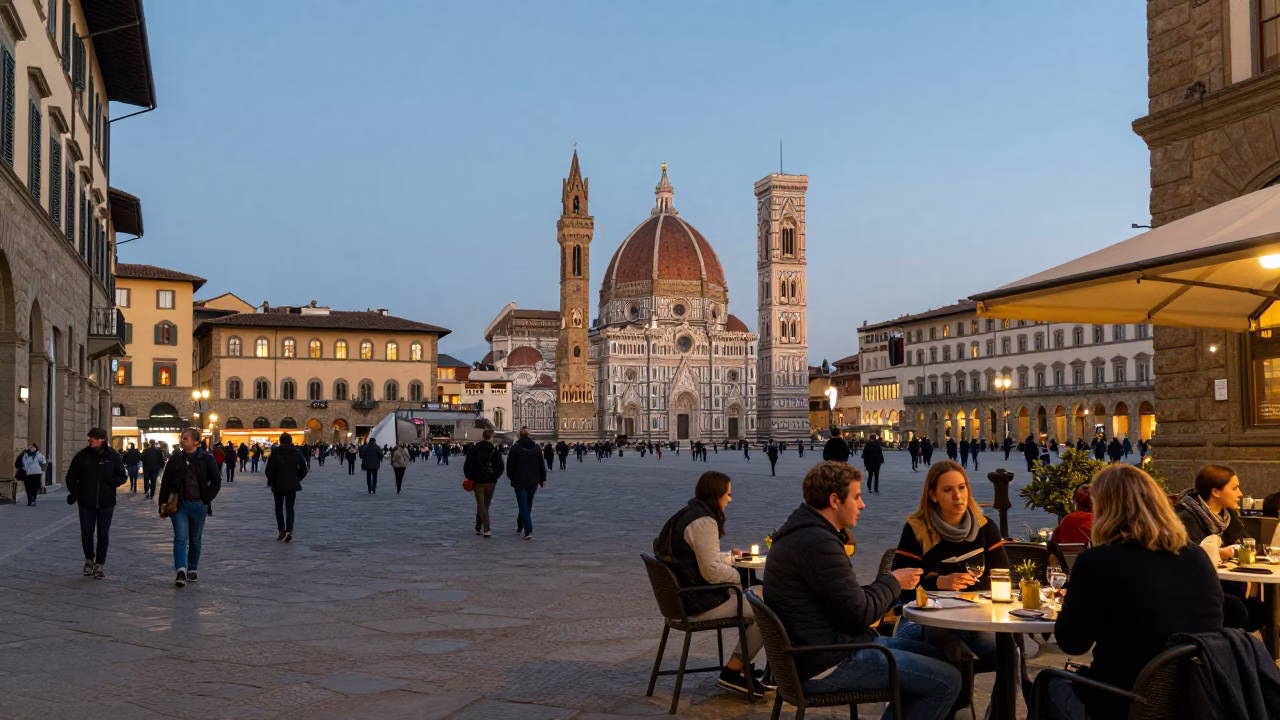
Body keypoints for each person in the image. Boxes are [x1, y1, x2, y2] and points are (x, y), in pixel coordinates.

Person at [764, 462, 959, 720]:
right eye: (857, 497)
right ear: (835, 501)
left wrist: (886, 587)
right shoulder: (818, 543)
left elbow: (844, 600)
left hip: (819, 649)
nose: (862, 505)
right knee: (948, 680)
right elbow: (859, 613)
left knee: (938, 655)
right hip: (826, 661)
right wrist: (894, 582)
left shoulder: (804, 533)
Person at [1042, 464, 1224, 720]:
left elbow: (1072, 642)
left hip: (1122, 702)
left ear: (1105, 509)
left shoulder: (1098, 562)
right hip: (1194, 701)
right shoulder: (1197, 556)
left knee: (1047, 686)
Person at [654, 471, 770, 695]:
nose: (730, 499)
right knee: (769, 605)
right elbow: (711, 572)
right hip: (698, 602)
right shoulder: (704, 521)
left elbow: (700, 558)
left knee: (762, 594)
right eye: (728, 494)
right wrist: (738, 579)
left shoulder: (687, 514)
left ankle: (742, 667)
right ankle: (734, 670)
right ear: (716, 495)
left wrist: (731, 558)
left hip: (681, 600)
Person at [892, 460, 1007, 673]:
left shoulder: (985, 528)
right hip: (926, 617)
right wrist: (938, 582)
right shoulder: (917, 529)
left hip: (975, 616)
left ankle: (1001, 707)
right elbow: (900, 586)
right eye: (948, 490)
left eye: (961, 488)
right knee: (955, 653)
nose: (957, 496)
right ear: (933, 495)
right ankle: (950, 702)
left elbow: (1002, 575)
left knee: (1008, 654)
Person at [1174, 464, 1265, 632]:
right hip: (1200, 592)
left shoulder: (1228, 517)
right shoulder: (1185, 519)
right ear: (1215, 492)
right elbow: (1187, 558)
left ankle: (1266, 656)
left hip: (1231, 586)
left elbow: (1245, 544)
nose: (1240, 493)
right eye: (1235, 488)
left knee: (1263, 609)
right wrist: (1219, 553)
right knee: (1240, 610)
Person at [158, 428, 221, 588]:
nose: (182, 440)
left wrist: (207, 499)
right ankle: (181, 570)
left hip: (199, 505)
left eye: (186, 438)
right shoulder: (175, 459)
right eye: (182, 438)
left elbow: (216, 481)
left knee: (195, 539)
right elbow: (166, 482)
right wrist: (162, 502)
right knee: (180, 538)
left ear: (196, 442)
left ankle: (192, 568)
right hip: (179, 505)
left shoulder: (207, 459)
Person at [65, 428, 127, 580]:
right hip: (86, 502)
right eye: (90, 438)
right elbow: (71, 478)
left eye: (93, 438)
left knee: (103, 534)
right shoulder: (82, 456)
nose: (90, 440)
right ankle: (89, 560)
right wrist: (78, 494)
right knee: (86, 533)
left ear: (102, 440)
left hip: (106, 502)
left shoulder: (112, 456)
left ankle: (99, 564)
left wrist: (110, 484)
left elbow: (122, 476)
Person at [265, 432, 307, 542]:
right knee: (290, 508)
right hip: (292, 484)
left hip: (278, 484)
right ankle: (290, 530)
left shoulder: (275, 452)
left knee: (278, 508)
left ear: (281, 441)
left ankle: (281, 530)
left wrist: (271, 481)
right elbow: (304, 468)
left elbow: (268, 470)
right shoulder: (296, 452)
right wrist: (297, 478)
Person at [506, 426, 545, 539]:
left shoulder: (515, 448)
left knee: (523, 505)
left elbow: (510, 466)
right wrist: (542, 479)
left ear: (519, 435)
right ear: (529, 435)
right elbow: (541, 465)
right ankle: (519, 526)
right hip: (533, 480)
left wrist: (511, 477)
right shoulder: (536, 447)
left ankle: (528, 530)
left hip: (519, 480)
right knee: (527, 504)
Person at [464, 429, 504, 537]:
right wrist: (494, 477)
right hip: (490, 482)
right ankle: (486, 529)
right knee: (485, 505)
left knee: (481, 505)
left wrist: (470, 477)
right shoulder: (494, 450)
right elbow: (500, 467)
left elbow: (467, 465)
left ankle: (478, 525)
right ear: (491, 436)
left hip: (477, 482)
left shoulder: (474, 449)